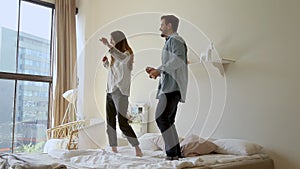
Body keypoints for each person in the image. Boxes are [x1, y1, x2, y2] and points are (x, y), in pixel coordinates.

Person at [146, 15, 188, 160]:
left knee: (161, 118)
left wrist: (160, 70)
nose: (160, 27)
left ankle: (172, 154)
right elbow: (172, 63)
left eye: (162, 24)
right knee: (168, 120)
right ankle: (176, 154)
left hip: (172, 88)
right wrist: (157, 70)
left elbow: (178, 60)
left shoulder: (176, 40)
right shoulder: (171, 41)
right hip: (170, 86)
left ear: (169, 25)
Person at [100, 30, 143, 157]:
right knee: (110, 122)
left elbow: (122, 59)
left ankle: (137, 149)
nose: (111, 42)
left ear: (118, 41)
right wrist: (106, 63)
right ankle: (113, 149)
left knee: (122, 122)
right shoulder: (115, 56)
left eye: (112, 40)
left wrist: (108, 45)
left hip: (120, 93)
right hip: (110, 91)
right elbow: (114, 71)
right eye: (110, 40)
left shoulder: (127, 54)